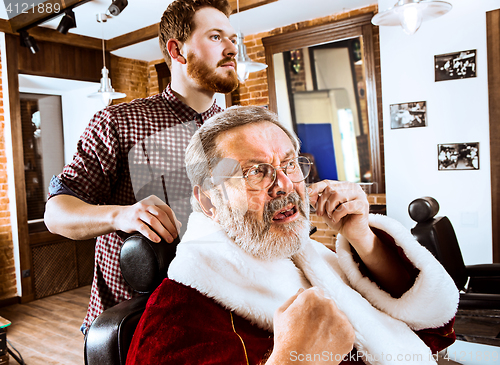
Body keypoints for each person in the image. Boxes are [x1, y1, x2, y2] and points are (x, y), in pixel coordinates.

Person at [126, 106, 459, 365]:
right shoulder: (178, 316)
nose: (284, 185)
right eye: (255, 172)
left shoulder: (311, 258)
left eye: (289, 164)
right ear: (210, 201)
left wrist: (362, 237)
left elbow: (434, 327)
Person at [44, 0, 239, 335]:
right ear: (178, 51)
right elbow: (56, 214)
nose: (232, 48)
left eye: (234, 39)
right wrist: (121, 215)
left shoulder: (236, 131)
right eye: (217, 37)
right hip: (133, 325)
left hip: (215, 313)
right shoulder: (119, 121)